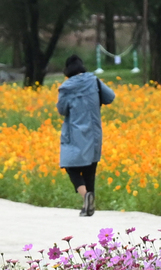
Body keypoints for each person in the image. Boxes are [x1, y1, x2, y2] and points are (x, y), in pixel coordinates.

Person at [56, 55, 114, 217]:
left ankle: (85, 196)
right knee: (90, 168)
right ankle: (89, 205)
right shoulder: (94, 81)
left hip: (74, 133)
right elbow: (110, 97)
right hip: (94, 132)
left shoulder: (66, 87)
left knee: (70, 167)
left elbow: (62, 110)